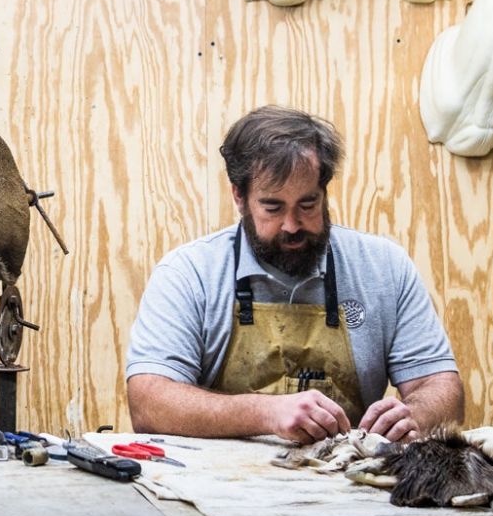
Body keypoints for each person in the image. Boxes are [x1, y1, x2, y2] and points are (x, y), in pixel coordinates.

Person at [125, 106, 463, 443]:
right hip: (223, 485)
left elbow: (441, 388)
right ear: (239, 197)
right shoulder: (189, 273)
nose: (292, 225)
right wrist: (266, 412)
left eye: (308, 204)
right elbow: (149, 402)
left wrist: (414, 415)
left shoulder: (384, 267)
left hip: (344, 482)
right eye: (272, 207)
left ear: (325, 191)